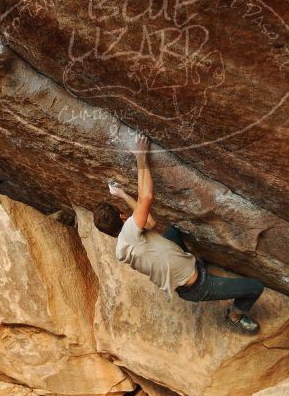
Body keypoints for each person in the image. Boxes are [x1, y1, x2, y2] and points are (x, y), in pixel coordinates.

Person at [93, 134, 264, 333]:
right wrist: (141, 157)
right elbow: (146, 197)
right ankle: (234, 316)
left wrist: (122, 194)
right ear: (123, 216)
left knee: (172, 231)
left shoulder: (124, 245)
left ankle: (194, 261)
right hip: (199, 285)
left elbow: (149, 222)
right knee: (255, 287)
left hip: (181, 280)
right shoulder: (130, 233)